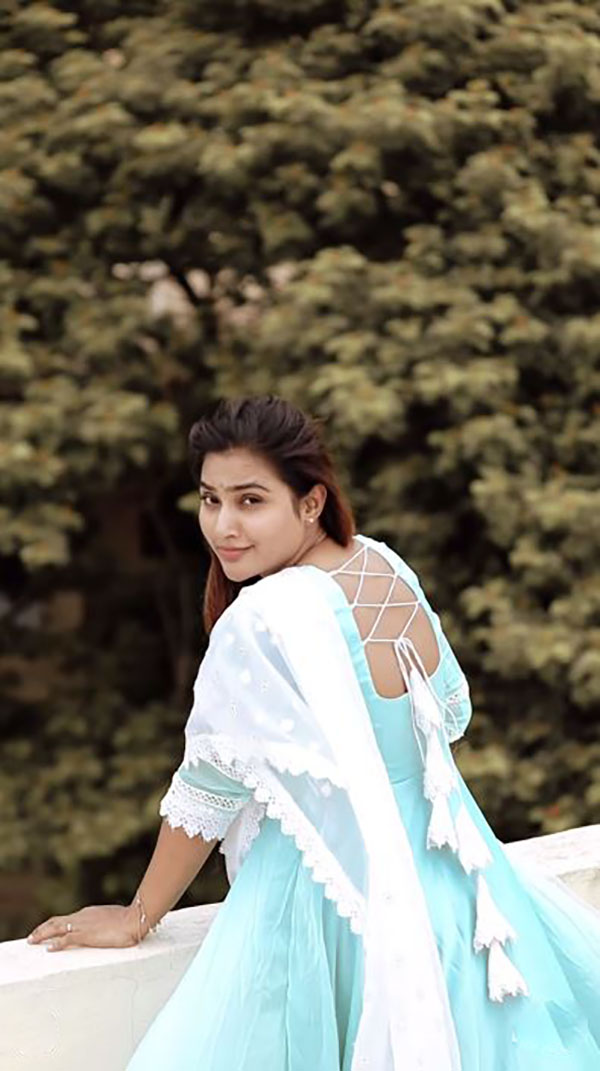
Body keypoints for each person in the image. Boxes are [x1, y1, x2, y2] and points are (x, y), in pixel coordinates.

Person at [27, 395, 600, 1070]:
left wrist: (137, 914)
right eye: (210, 499)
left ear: (311, 502)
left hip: (330, 898)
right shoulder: (384, 566)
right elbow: (450, 711)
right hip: (458, 886)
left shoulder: (262, 617)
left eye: (250, 500)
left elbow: (210, 788)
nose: (224, 526)